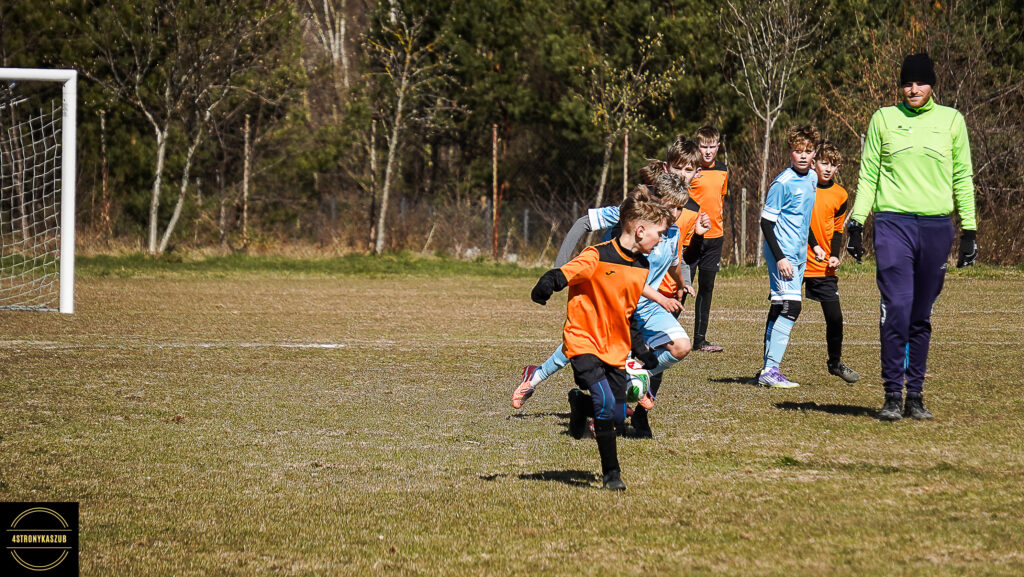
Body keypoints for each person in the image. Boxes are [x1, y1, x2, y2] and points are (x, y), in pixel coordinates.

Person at [514, 171, 709, 439]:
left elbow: (676, 261)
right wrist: (560, 267)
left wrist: (681, 283)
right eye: (672, 207)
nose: (677, 214)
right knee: (584, 346)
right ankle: (537, 377)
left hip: (648, 307)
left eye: (680, 208)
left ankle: (634, 380)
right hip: (618, 298)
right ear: (655, 200)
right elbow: (619, 262)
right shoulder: (629, 216)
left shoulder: (671, 231)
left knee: (680, 346)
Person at [846, 52, 978, 421]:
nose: (913, 89)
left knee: (920, 314)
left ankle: (915, 395)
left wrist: (969, 229)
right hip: (893, 225)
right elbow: (869, 174)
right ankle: (892, 394)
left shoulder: (951, 121)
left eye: (920, 82)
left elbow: (962, 177)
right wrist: (856, 223)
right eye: (907, 83)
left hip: (936, 227)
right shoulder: (883, 119)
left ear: (932, 84)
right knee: (897, 308)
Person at [529, 186, 672, 490]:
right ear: (640, 230)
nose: (662, 240)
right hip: (583, 341)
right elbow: (564, 274)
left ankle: (581, 406)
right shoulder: (596, 255)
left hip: (615, 349)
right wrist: (547, 283)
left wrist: (641, 349)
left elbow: (627, 313)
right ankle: (612, 475)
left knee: (618, 415)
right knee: (606, 402)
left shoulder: (641, 266)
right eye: (660, 234)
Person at [757, 125, 822, 388]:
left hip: (799, 252)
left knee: (779, 307)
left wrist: (814, 245)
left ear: (814, 153)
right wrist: (780, 258)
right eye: (798, 150)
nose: (803, 156)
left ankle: (766, 369)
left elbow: (802, 217)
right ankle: (771, 369)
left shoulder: (813, 178)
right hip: (781, 252)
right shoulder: (782, 183)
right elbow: (766, 223)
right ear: (789, 152)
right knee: (791, 307)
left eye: (808, 151)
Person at [805, 140, 860, 383]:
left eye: (833, 165)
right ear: (814, 163)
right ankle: (769, 367)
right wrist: (813, 245)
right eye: (824, 163)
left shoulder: (841, 195)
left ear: (838, 168)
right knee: (783, 312)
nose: (828, 168)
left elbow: (837, 230)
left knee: (835, 317)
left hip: (822, 264)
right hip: (797, 261)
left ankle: (835, 362)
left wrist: (834, 255)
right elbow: (799, 221)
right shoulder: (803, 186)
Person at [685, 125, 729, 352]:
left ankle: (700, 340)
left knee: (706, 288)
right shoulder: (690, 170)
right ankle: (663, 337)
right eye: (704, 147)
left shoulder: (723, 170)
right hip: (691, 237)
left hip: (715, 238)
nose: (708, 151)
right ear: (697, 146)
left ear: (718, 147)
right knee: (682, 286)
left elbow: (719, 199)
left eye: (712, 147)